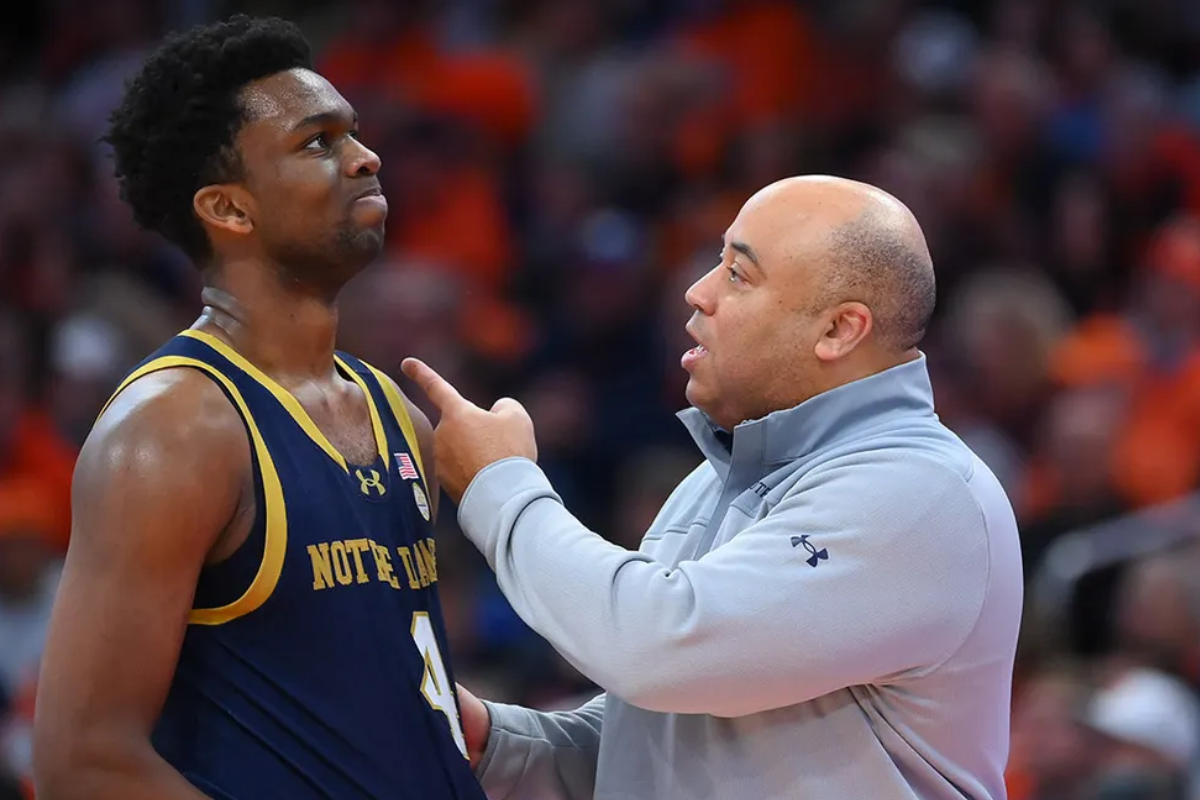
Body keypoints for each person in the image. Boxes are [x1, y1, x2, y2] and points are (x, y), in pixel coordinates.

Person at [402, 175, 1025, 799]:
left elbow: (654, 646)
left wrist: (499, 485)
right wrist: (502, 745)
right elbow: (667, 737)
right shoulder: (715, 476)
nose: (697, 293)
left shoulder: (920, 491)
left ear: (839, 330)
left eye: (737, 275)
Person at [33, 16, 483, 800]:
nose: (365, 155)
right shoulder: (174, 429)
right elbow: (84, 762)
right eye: (318, 141)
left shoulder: (397, 415)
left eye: (354, 133)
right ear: (230, 210)